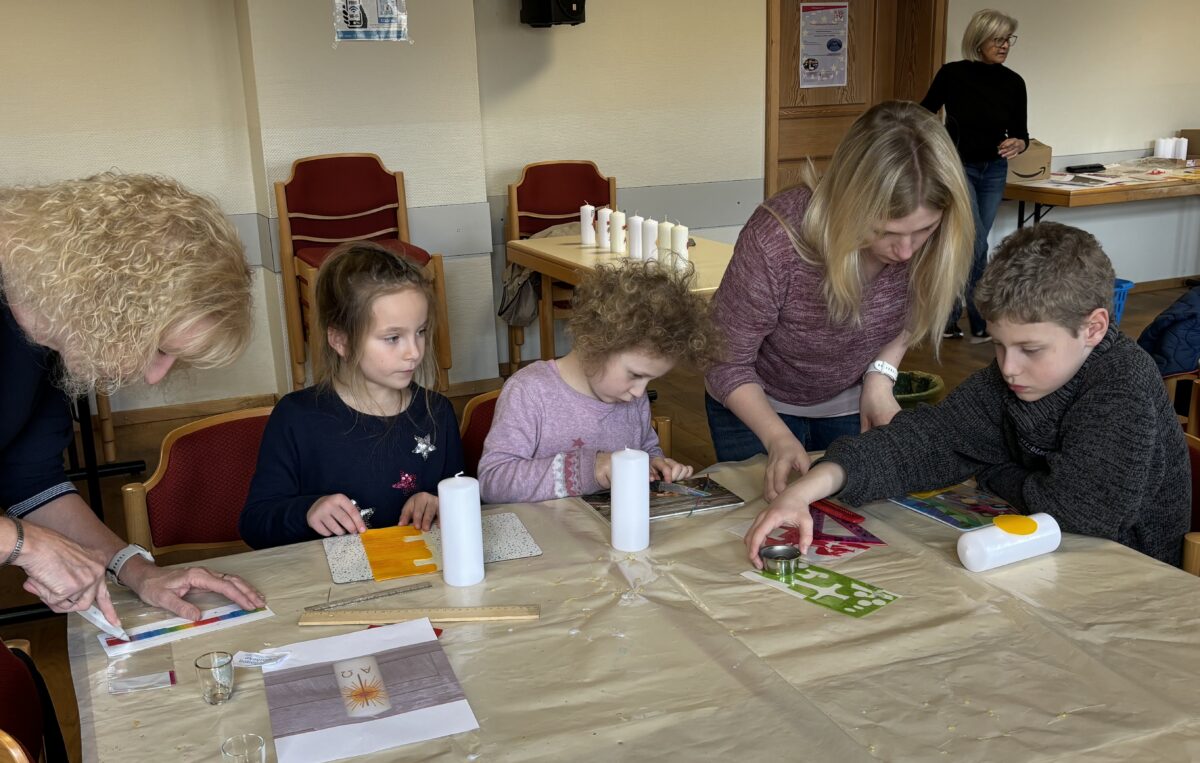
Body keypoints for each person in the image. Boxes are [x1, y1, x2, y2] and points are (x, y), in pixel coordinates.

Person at [744, 222, 1190, 568]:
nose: (1008, 367)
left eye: (1030, 349)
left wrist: (994, 470)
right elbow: (927, 440)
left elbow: (1080, 515)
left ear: (1093, 328)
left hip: (1128, 572)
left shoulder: (1121, 384)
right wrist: (812, 487)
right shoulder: (1012, 379)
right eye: (999, 345)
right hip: (1052, 555)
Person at [0, 172, 265, 627]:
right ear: (114, 296)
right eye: (159, 348)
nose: (154, 375)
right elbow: (26, 528)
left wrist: (137, 570)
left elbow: (32, 482)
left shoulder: (52, 326)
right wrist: (23, 543)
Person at [705, 100, 973, 505]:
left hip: (849, 401)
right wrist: (777, 436)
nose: (905, 251)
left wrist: (880, 377)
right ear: (848, 205)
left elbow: (911, 316)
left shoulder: (939, 242)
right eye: (886, 232)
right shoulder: (776, 239)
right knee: (764, 521)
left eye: (924, 230)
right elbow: (725, 361)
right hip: (754, 404)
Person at [240, 241, 463, 549]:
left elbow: (464, 496)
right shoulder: (296, 418)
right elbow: (255, 524)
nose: (414, 352)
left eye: (421, 332)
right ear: (340, 340)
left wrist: (440, 503)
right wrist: (307, 511)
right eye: (393, 338)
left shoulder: (437, 411)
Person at [478, 259, 721, 504]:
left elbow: (647, 449)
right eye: (635, 375)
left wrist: (655, 465)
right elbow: (493, 483)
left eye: (651, 380)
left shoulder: (632, 399)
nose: (640, 392)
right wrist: (590, 470)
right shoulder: (529, 391)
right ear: (595, 344)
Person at [921, 8, 1028, 343]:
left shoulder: (1014, 82)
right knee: (976, 241)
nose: (1004, 45)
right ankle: (977, 316)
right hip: (958, 168)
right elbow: (923, 114)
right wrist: (935, 151)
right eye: (997, 39)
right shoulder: (952, 74)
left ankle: (952, 318)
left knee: (970, 244)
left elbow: (1021, 133)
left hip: (994, 169)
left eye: (1008, 39)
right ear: (978, 41)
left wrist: (1019, 143)